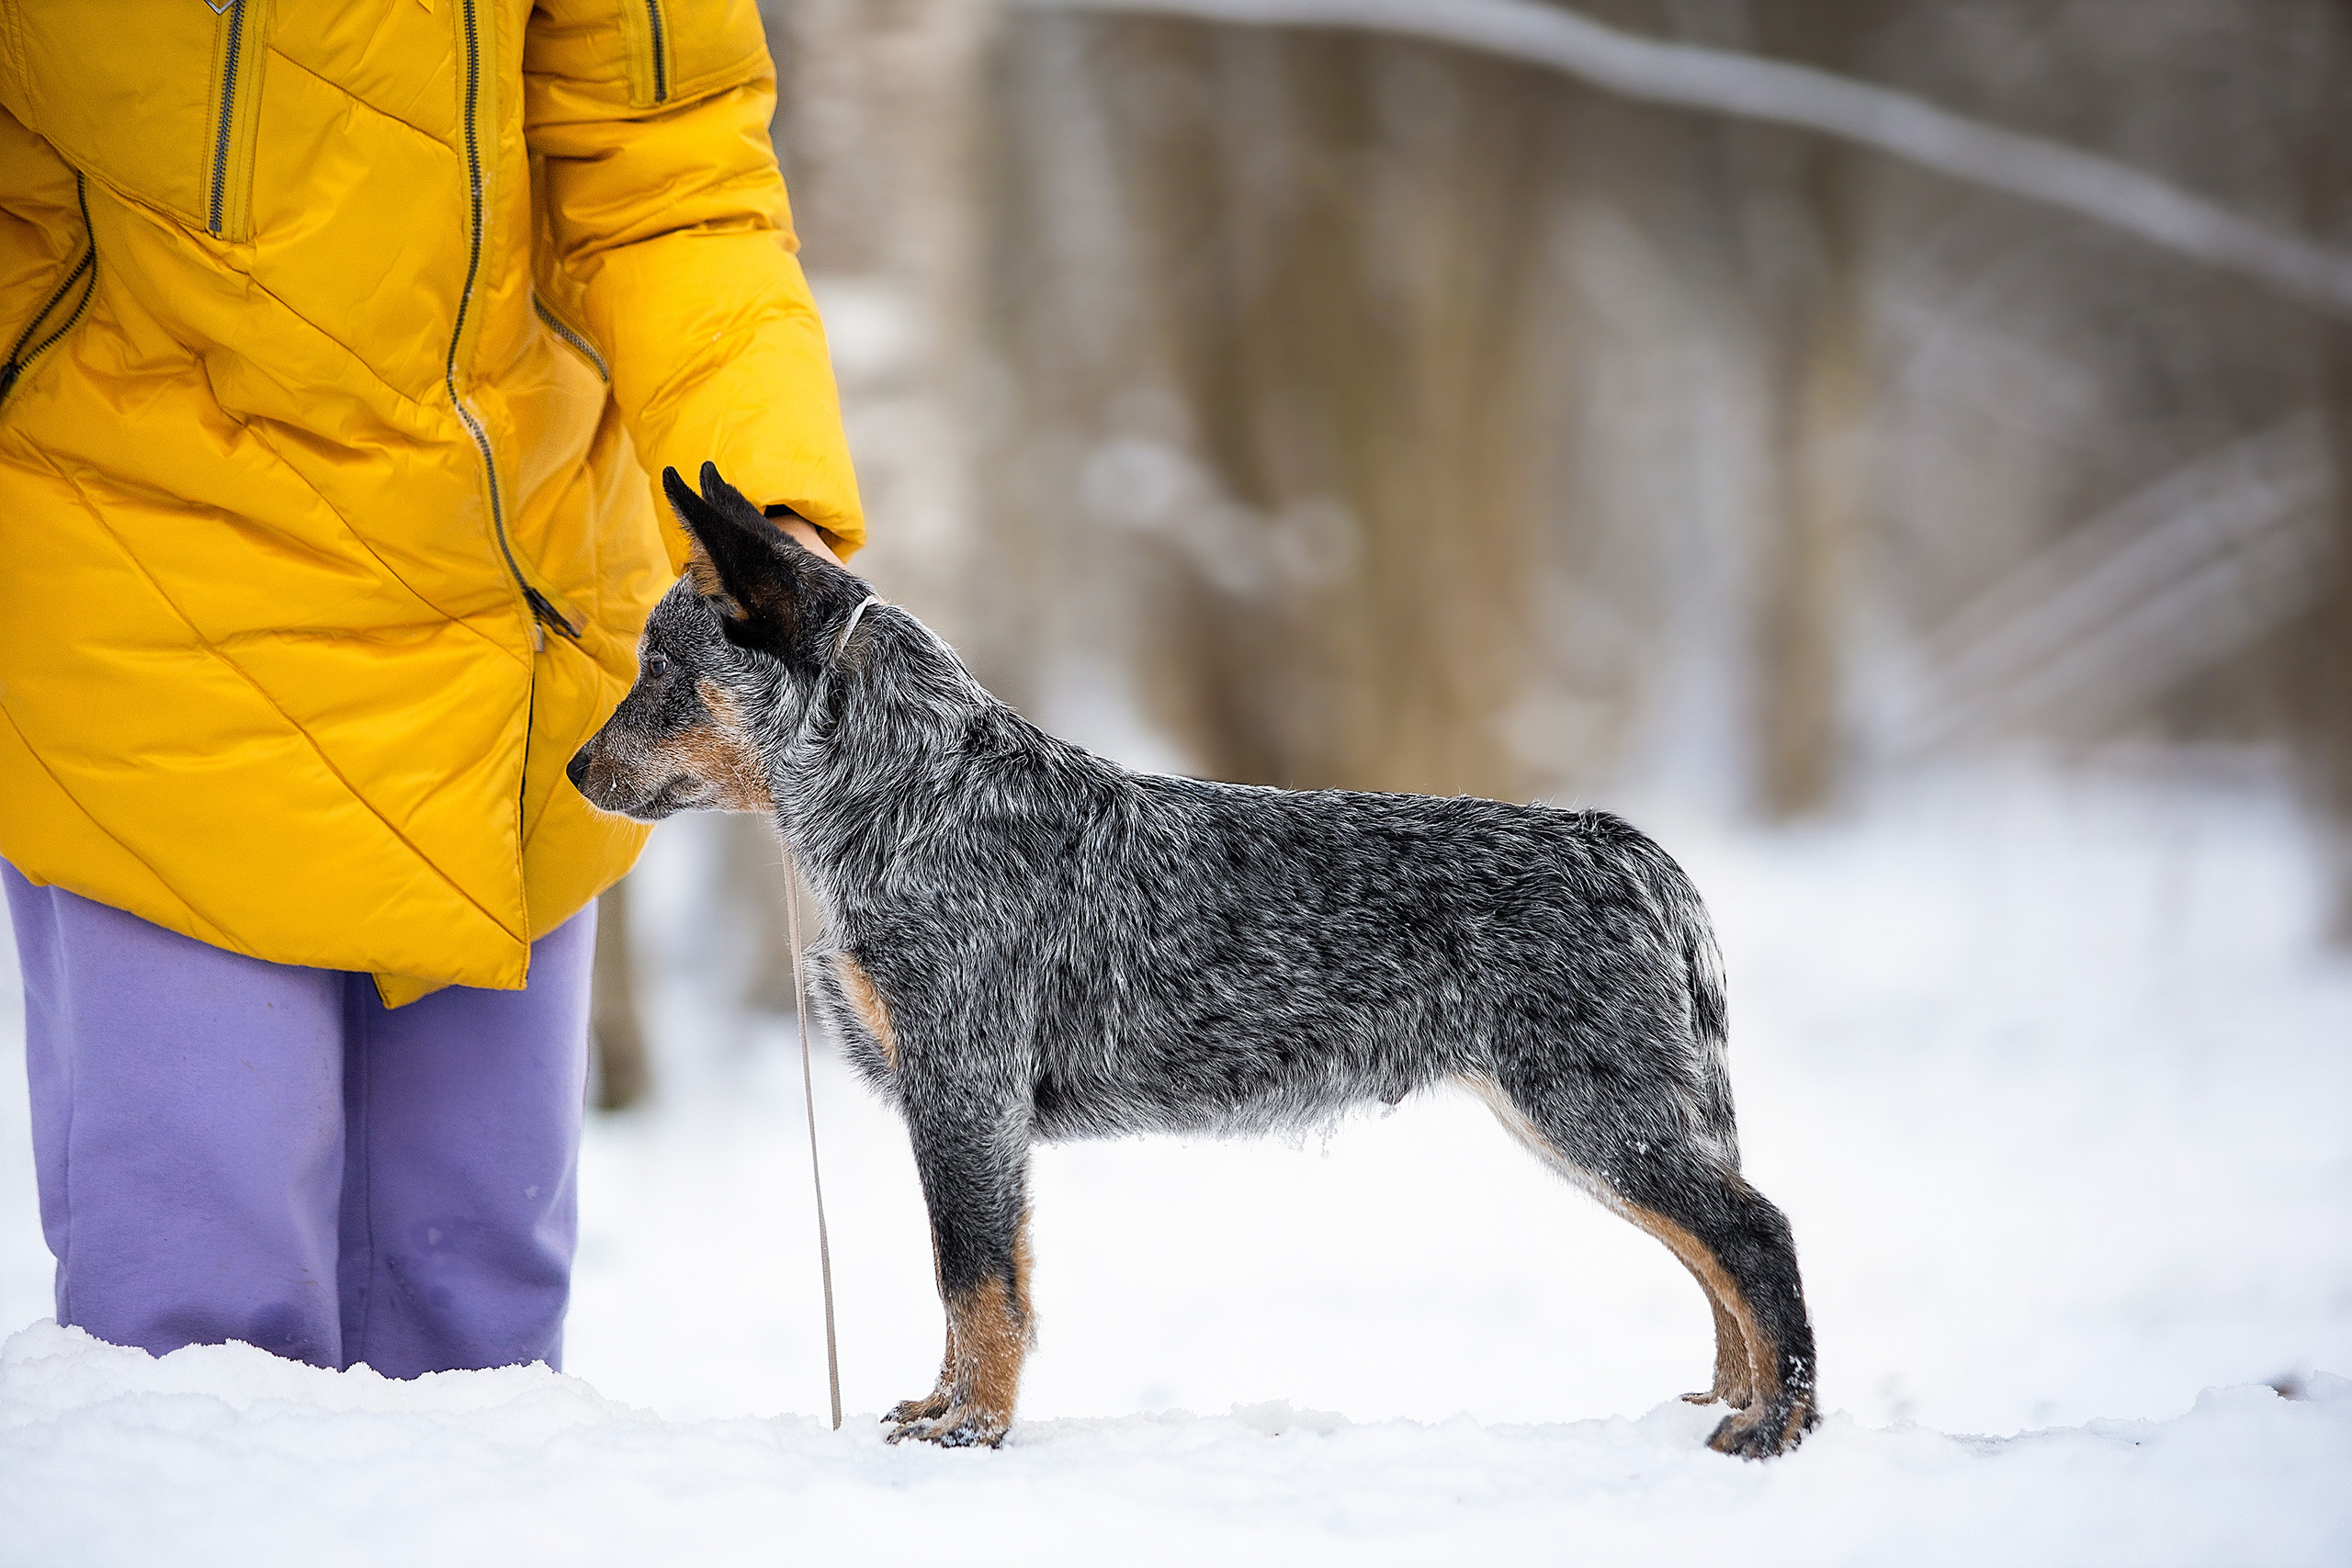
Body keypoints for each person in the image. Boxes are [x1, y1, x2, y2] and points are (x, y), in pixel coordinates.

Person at [0, 1, 861, 1376]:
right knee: (199, 1335)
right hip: (141, 584)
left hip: (510, 615)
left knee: (477, 1323)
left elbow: (668, 175)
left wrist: (765, 501)